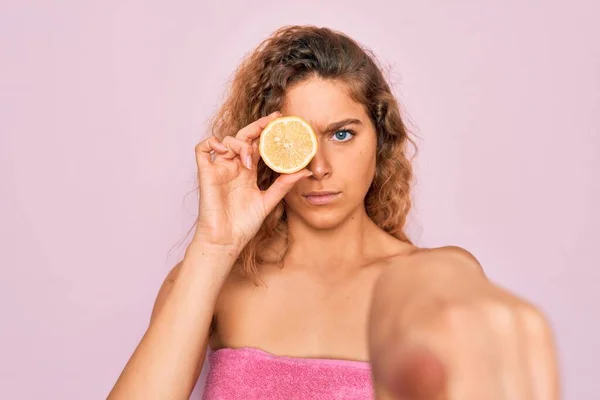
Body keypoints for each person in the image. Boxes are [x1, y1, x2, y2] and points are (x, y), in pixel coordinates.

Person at [108, 25, 560, 399]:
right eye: (296, 140)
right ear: (266, 148)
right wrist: (215, 247)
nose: (318, 168)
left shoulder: (431, 275)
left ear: (381, 141)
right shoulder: (211, 281)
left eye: (342, 135)